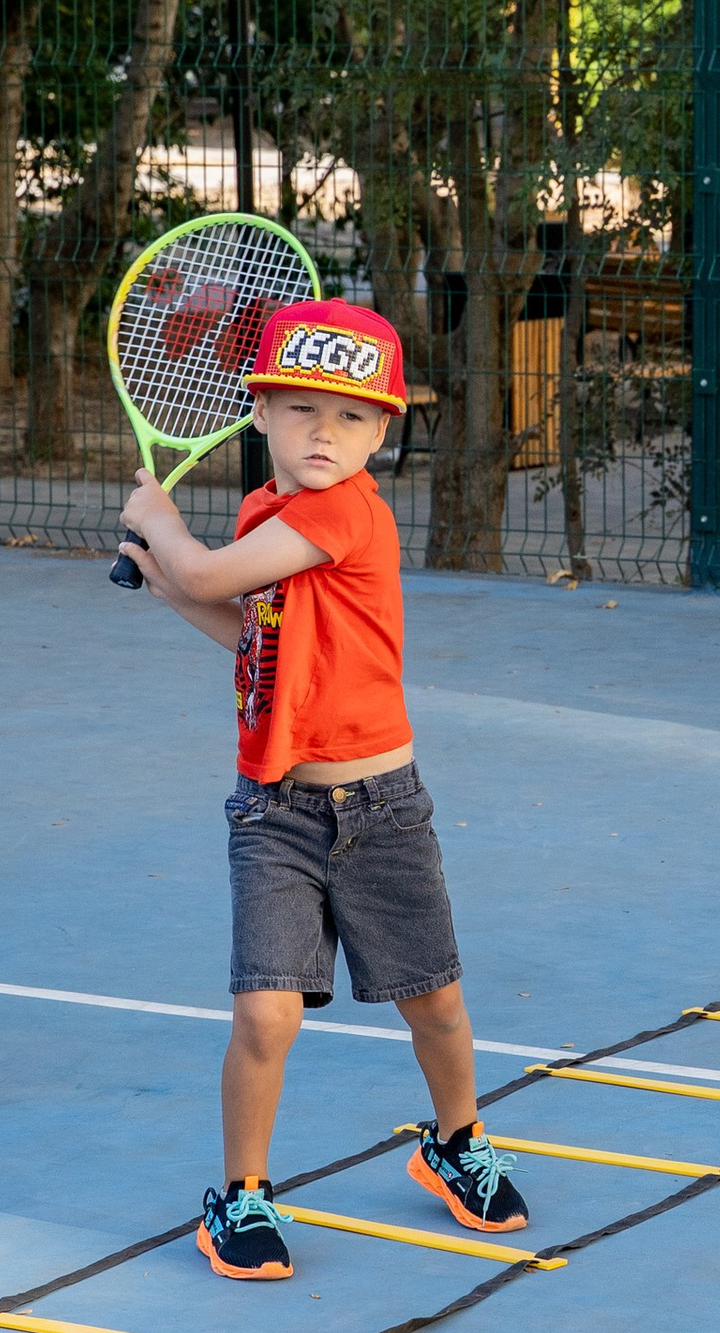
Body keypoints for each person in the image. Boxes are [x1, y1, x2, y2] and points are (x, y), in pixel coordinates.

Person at [117, 298, 529, 1277]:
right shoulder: (271, 516)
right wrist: (175, 590)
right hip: (276, 810)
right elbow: (253, 633)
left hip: (382, 808)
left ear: (383, 433)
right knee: (266, 1014)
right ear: (258, 412)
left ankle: (456, 1143)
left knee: (435, 1005)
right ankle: (241, 1199)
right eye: (301, 409)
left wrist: (162, 528)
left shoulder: (343, 512)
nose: (323, 433)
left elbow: (213, 574)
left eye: (350, 417)